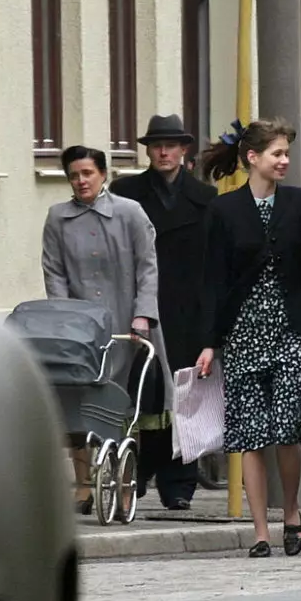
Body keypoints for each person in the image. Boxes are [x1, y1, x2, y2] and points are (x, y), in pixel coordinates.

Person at [194, 118, 301, 558]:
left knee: (288, 428)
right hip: (243, 333)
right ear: (252, 158)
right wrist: (209, 341)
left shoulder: (298, 204)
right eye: (276, 153)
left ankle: (290, 511)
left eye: (286, 154)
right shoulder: (223, 210)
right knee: (251, 436)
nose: (284, 161)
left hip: (291, 330)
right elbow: (212, 280)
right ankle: (260, 532)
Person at [41, 145, 159, 514]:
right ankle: (83, 485)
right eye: (74, 175)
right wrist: (62, 317)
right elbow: (54, 271)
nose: (81, 181)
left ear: (103, 174)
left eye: (88, 173)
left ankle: (124, 484)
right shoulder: (57, 217)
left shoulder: (130, 213)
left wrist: (142, 316)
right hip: (78, 329)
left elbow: (147, 268)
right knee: (76, 399)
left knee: (118, 401)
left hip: (125, 324)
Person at [109, 114, 216, 511]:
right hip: (142, 308)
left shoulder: (205, 197)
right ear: (148, 151)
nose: (164, 152)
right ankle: (136, 473)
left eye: (171, 145)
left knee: (185, 397)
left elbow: (210, 261)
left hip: (186, 310)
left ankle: (180, 482)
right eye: (157, 146)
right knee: (142, 395)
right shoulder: (126, 193)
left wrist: (210, 320)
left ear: (184, 150)